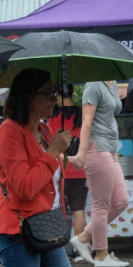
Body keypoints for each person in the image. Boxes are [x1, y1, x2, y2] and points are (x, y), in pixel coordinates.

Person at [0, 69, 84, 267]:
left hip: (46, 228)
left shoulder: (43, 129)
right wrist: (53, 151)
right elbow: (24, 187)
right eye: (49, 93)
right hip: (18, 233)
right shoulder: (9, 132)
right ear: (30, 97)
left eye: (55, 92)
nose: (55, 98)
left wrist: (57, 149)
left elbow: (49, 183)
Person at [69, 80, 130, 267]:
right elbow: (86, 121)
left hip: (110, 150)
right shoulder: (93, 85)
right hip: (97, 148)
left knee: (121, 201)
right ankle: (101, 255)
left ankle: (84, 237)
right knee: (101, 205)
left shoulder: (110, 84)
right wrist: (82, 151)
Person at [48, 84, 89, 241]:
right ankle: (81, 249)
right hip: (79, 169)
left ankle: (58, 246)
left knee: (56, 209)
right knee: (79, 209)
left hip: (59, 169)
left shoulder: (53, 116)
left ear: (58, 94)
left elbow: (52, 142)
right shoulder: (81, 113)